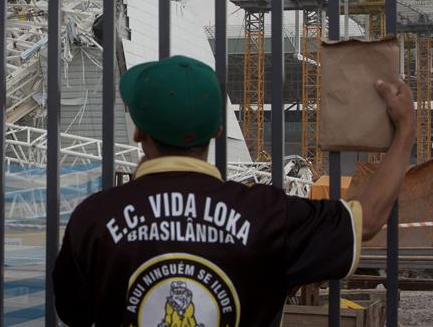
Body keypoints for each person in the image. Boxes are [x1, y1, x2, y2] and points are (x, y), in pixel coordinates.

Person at [52, 55, 415, 327]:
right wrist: (405, 132)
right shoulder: (267, 215)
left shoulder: (94, 218)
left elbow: (74, 314)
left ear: (138, 131)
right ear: (217, 131)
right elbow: (366, 220)